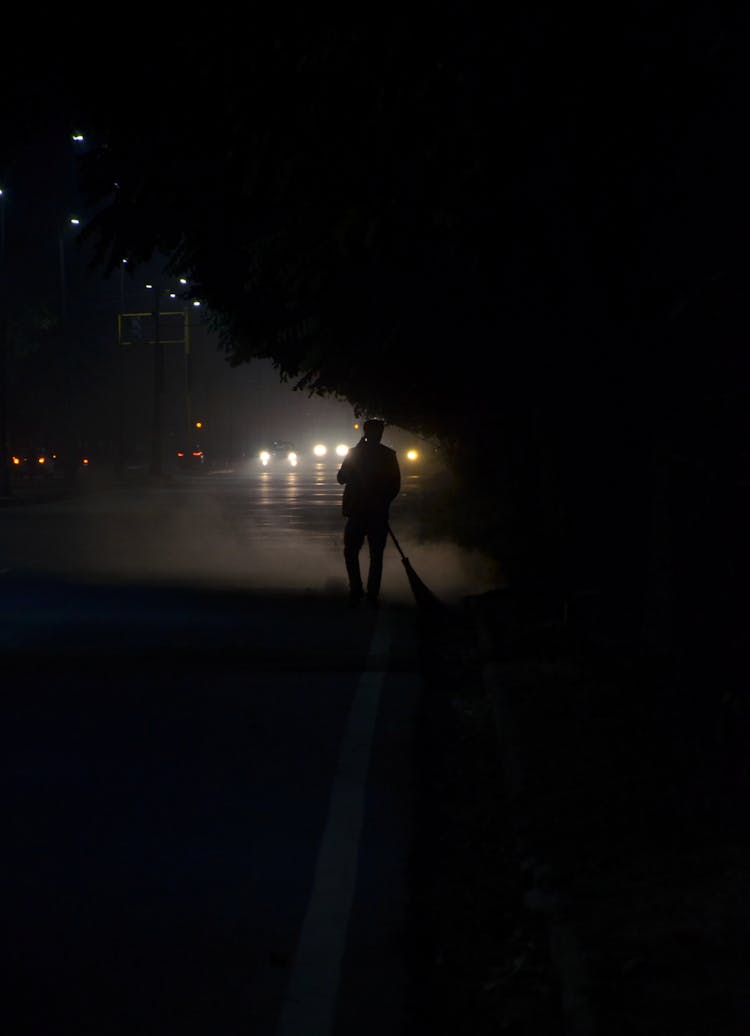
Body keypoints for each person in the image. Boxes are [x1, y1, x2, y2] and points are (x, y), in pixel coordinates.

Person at [337, 418, 401, 608]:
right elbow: (395, 486)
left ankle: (357, 589)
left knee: (352, 552)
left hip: (360, 512)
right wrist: (383, 503)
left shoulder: (356, 454)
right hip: (373, 513)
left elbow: (341, 478)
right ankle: (370, 593)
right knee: (374, 555)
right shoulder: (387, 455)